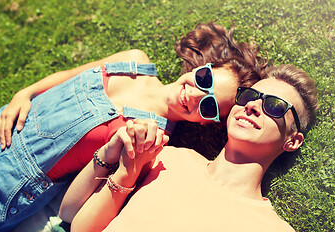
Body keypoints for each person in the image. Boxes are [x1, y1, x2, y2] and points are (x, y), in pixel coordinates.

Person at [0, 22, 267, 231]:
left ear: (207, 122)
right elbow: (69, 75)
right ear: (202, 67)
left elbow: (71, 209)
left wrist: (116, 158)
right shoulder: (134, 61)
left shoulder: (153, 141)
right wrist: (24, 93)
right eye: (204, 80)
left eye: (208, 105)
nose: (192, 95)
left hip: (3, 189)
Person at [60, 64, 319, 232]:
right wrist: (119, 161)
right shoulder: (166, 157)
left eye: (274, 106)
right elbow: (74, 220)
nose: (252, 106)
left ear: (292, 141)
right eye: (249, 96)